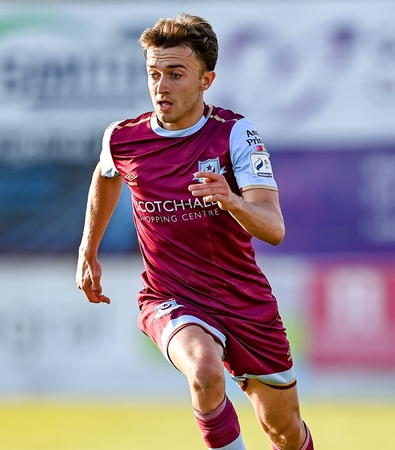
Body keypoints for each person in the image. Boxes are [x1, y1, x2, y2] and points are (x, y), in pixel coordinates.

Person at [76, 13, 313, 450]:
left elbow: (274, 228)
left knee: (284, 430)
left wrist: (233, 201)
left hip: (244, 301)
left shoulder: (235, 135)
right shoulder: (123, 139)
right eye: (154, 73)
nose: (161, 86)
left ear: (207, 80)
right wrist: (88, 251)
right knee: (204, 373)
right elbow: (106, 175)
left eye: (176, 74)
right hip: (171, 296)